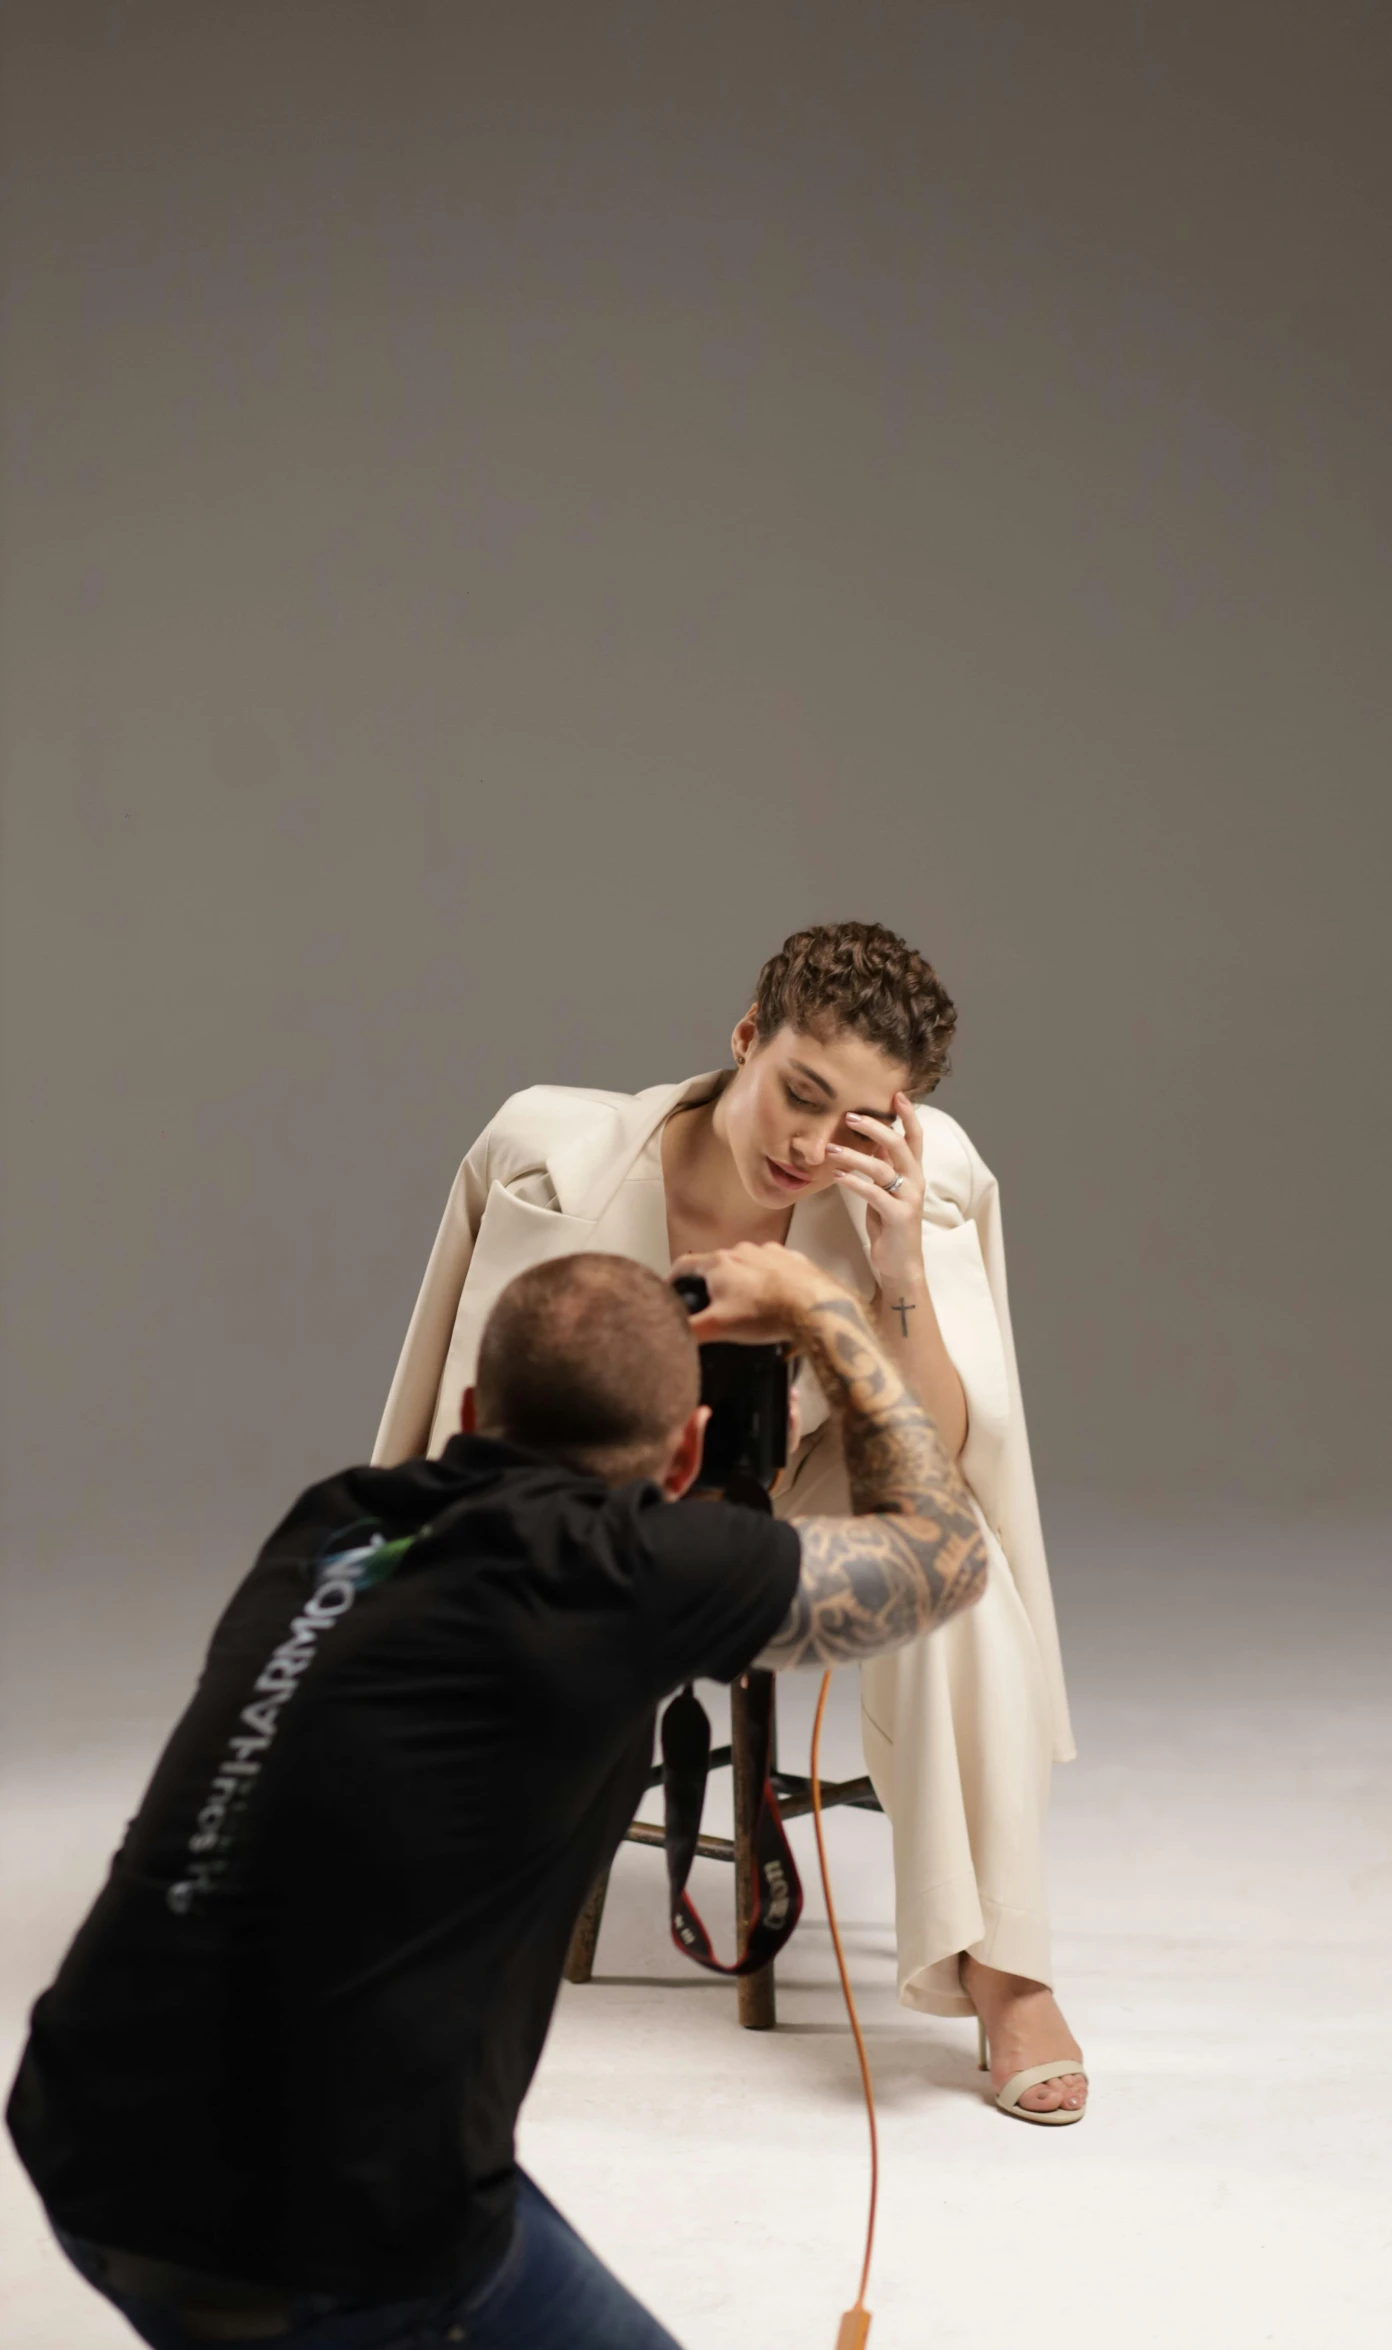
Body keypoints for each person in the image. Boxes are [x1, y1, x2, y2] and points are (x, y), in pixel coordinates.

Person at [7, 1245, 987, 2349]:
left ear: (474, 1409)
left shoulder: (335, 1524)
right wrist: (820, 1309)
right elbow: (944, 1556)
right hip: (333, 2234)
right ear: (685, 1456)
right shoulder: (624, 1568)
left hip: (84, 2126)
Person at [373, 920, 1087, 2122]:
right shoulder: (548, 1152)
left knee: (956, 1569)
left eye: (858, 1122)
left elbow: (942, 1454)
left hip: (794, 1498)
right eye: (798, 1095)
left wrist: (894, 1262)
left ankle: (1006, 1970)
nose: (814, 1145)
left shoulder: (921, 1178)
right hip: (588, 1506)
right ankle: (435, 1905)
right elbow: (454, 1398)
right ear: (745, 1038)